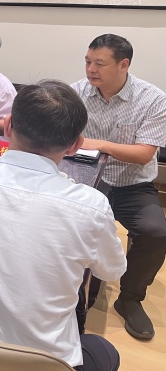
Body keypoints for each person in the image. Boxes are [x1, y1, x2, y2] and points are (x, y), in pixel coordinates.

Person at [0, 80, 126, 371]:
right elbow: (111, 271)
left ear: (7, 126)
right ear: (75, 145)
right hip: (38, 364)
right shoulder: (91, 207)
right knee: (103, 350)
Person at [72, 34, 166, 341]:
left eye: (100, 63)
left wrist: (99, 144)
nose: (91, 69)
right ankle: (81, 291)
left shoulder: (152, 99)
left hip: (131, 184)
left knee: (155, 232)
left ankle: (130, 298)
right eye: (88, 61)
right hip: (87, 179)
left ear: (124, 65)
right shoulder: (77, 92)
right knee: (72, 223)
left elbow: (143, 154)